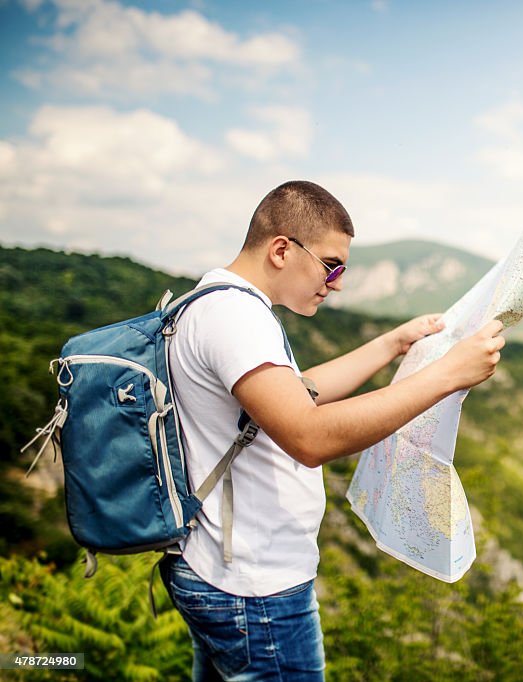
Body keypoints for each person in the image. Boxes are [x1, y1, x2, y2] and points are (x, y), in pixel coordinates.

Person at [159, 180, 505, 680]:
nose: (337, 282)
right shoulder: (235, 318)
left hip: (222, 570)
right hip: (254, 587)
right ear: (282, 249)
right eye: (331, 265)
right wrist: (450, 374)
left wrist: (392, 343)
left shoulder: (215, 303)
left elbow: (297, 394)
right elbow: (309, 436)